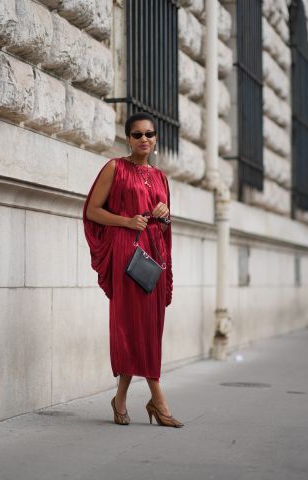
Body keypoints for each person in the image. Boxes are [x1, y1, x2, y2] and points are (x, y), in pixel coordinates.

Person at [83, 112, 183, 428]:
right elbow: (92, 211)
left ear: (155, 139)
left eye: (149, 134)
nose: (144, 140)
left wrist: (165, 215)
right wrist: (127, 220)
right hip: (127, 255)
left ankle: (121, 400)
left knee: (149, 326)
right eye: (137, 134)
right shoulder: (115, 168)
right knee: (129, 324)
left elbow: (165, 224)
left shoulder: (161, 177)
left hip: (152, 256)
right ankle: (158, 399)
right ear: (127, 138)